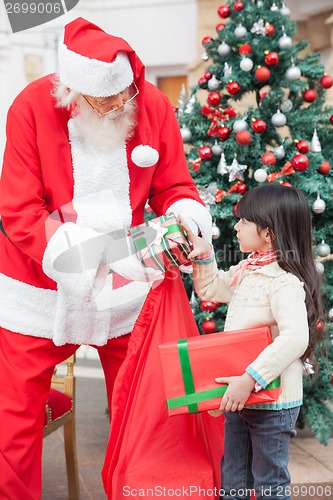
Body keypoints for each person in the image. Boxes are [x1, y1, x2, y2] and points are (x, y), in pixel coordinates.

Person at [0, 17, 224, 499]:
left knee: (155, 412)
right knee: (9, 428)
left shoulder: (152, 104)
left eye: (125, 96)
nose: (121, 107)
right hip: (37, 291)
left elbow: (176, 188)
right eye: (107, 101)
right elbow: (19, 211)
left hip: (130, 284)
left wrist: (187, 219)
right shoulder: (30, 107)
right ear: (73, 93)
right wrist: (88, 261)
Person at [180, 183, 324, 500]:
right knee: (234, 479)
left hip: (272, 401)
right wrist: (204, 257)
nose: (236, 227)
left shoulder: (284, 281)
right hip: (240, 396)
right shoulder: (249, 269)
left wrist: (250, 378)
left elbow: (296, 337)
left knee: (269, 482)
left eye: (244, 221)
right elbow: (211, 290)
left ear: (268, 233)